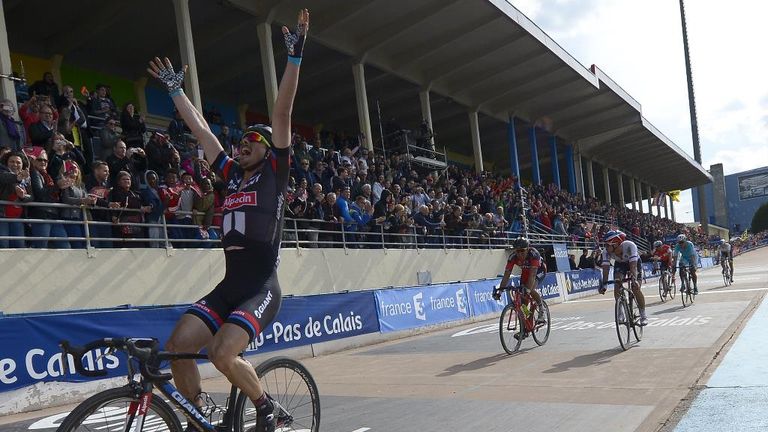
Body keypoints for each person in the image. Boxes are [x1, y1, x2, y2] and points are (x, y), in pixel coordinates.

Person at [148, 9, 308, 432]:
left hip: (260, 288)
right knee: (179, 346)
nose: (241, 146)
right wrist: (176, 93)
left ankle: (266, 406)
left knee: (222, 353)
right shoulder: (233, 175)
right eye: (239, 142)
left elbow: (283, 115)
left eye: (251, 141)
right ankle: (205, 418)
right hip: (229, 285)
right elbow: (202, 131)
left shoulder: (276, 172)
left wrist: (293, 59)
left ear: (267, 149)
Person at [493, 237, 548, 337]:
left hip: (539, 271)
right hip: (526, 272)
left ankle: (541, 308)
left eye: (522, 251)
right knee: (522, 305)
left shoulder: (534, 254)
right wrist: (500, 291)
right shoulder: (513, 257)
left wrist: (527, 290)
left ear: (527, 249)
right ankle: (525, 330)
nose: (519, 254)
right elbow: (506, 275)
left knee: (529, 290)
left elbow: (532, 276)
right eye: (517, 251)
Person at [598, 230, 648, 326]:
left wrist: (634, 279)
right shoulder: (606, 252)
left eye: (607, 245)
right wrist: (604, 284)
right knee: (617, 282)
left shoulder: (629, 245)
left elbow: (633, 266)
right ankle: (620, 312)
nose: (605, 247)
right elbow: (605, 269)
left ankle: (643, 315)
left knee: (635, 288)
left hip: (634, 262)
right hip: (620, 264)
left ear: (615, 244)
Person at [0, 151, 31, 247]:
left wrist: (23, 197)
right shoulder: (2, 172)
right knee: (3, 245)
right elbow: (5, 178)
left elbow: (31, 196)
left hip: (17, 217)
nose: (15, 164)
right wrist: (18, 178)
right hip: (2, 216)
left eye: (18, 162)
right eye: (11, 162)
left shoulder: (27, 178)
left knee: (19, 246)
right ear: (6, 163)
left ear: (22, 165)